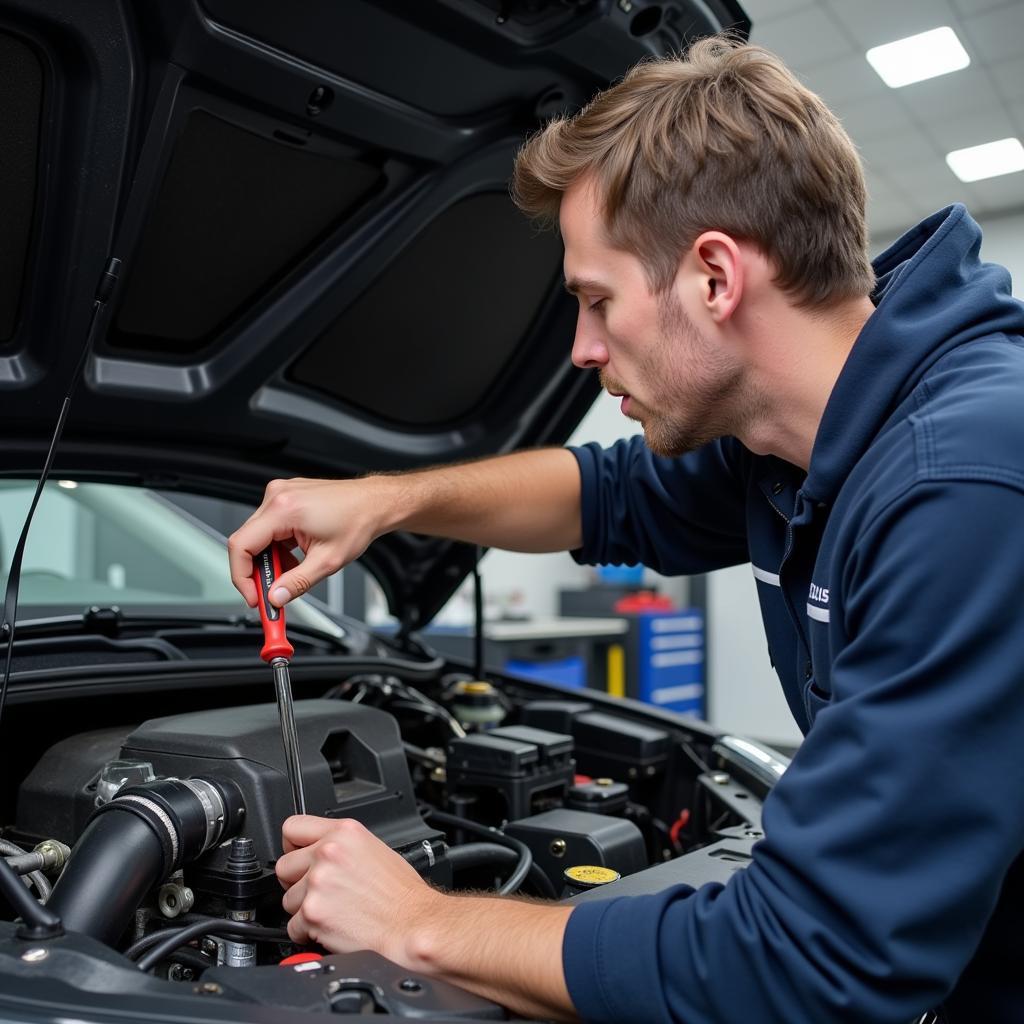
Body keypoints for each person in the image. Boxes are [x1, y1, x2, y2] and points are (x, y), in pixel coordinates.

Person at [227, 35, 1024, 1024]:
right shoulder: (798, 441)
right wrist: (387, 501)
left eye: (597, 301)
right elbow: (603, 494)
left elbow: (810, 968)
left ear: (714, 278)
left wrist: (420, 922)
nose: (582, 348)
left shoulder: (963, 486)